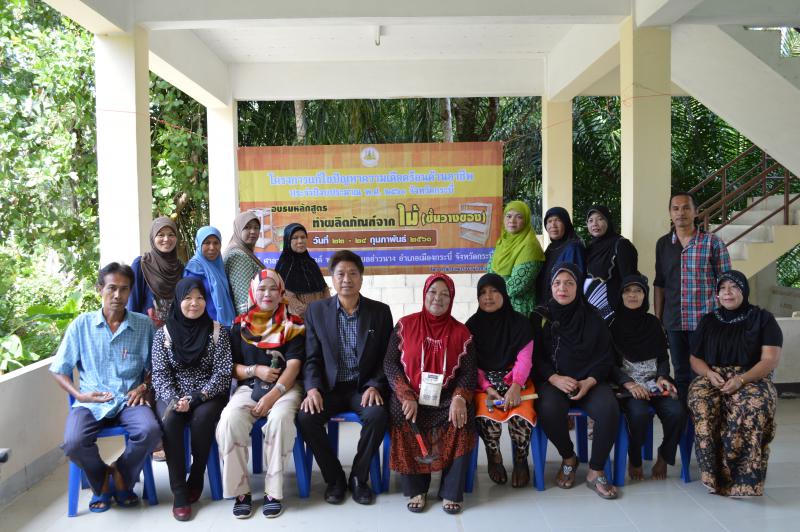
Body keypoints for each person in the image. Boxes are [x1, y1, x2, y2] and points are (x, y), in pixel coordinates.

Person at [50, 263, 160, 513]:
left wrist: (144, 386)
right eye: (112, 288)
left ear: (131, 291)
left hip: (129, 400)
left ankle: (121, 474)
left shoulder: (143, 325)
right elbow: (59, 369)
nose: (118, 295)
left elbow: (157, 367)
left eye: (124, 289)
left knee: (150, 431)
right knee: (74, 442)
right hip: (90, 401)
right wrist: (78, 395)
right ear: (100, 289)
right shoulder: (81, 325)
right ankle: (101, 480)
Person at [297, 250, 393, 505]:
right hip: (329, 388)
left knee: (377, 415)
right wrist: (313, 389)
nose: (347, 279)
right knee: (306, 417)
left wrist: (375, 386)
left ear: (361, 278)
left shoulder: (380, 312)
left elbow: (386, 358)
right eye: (340, 274)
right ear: (332, 278)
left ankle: (359, 478)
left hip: (362, 388)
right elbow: (311, 358)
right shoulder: (316, 311)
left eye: (353, 273)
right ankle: (335, 478)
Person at [215, 269, 306, 519]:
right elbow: (231, 367)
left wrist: (272, 395)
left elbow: (294, 366)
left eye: (273, 288)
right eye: (262, 288)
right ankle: (240, 491)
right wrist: (255, 370)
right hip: (249, 386)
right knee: (229, 420)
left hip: (286, 388)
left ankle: (273, 492)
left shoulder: (294, 324)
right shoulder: (239, 326)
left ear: (281, 292)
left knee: (279, 420)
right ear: (252, 292)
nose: (267, 293)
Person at [385, 273, 477, 514]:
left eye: (445, 294)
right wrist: (405, 394)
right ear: (424, 294)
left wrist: (459, 398)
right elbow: (390, 363)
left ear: (452, 299)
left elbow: (468, 372)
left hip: (446, 396)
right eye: (433, 292)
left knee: (463, 414)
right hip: (411, 395)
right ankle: (417, 488)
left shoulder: (462, 333)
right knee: (399, 411)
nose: (438, 298)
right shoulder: (404, 326)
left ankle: (451, 490)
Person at [688, 270, 782, 497]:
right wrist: (709, 374)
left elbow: (769, 360)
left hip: (751, 377)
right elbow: (695, 358)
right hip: (714, 376)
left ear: (744, 290)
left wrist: (741, 379)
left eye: (733, 287)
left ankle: (743, 479)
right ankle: (713, 476)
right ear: (717, 294)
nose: (727, 292)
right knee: (701, 402)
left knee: (752, 405)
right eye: (722, 288)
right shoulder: (708, 320)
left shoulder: (763, 319)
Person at [531, 262, 619, 499]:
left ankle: (596, 469)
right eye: (557, 283)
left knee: (609, 409)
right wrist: (555, 378)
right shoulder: (540, 316)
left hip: (590, 381)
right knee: (548, 408)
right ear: (550, 286)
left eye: (569, 283)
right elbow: (535, 357)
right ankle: (569, 457)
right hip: (555, 381)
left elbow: (606, 357)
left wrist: (589, 381)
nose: (563, 288)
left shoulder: (593, 316)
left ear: (578, 286)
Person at [151, 278, 232, 521]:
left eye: (199, 298)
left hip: (208, 394)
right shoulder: (163, 334)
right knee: (171, 420)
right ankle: (179, 492)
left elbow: (223, 373)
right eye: (187, 298)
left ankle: (196, 477)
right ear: (178, 300)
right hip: (173, 393)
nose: (194, 303)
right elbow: (160, 374)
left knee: (202, 419)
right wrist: (175, 399)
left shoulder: (218, 331)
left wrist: (198, 397)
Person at [654, 192, 731, 402]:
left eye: (686, 207)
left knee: (704, 372)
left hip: (705, 321)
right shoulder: (663, 244)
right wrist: (658, 319)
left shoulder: (713, 243)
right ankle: (685, 419)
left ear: (696, 212)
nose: (681, 213)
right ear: (670, 213)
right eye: (676, 208)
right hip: (674, 321)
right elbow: (660, 283)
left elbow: (726, 283)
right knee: (680, 372)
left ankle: (703, 418)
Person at [610, 274, 686, 481]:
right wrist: (629, 383)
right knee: (639, 414)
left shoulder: (653, 323)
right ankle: (634, 457)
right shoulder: (612, 326)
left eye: (638, 291)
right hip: (628, 386)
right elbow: (609, 364)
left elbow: (662, 357)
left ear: (645, 295)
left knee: (677, 412)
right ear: (621, 295)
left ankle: (664, 455)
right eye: (627, 291)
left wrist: (662, 376)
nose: (632, 295)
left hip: (655, 384)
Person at [466, 273, 535, 488]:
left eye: (494, 291)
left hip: (517, 380)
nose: (488, 297)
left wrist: (515, 386)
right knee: (487, 417)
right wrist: (487, 388)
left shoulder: (521, 324)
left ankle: (521, 460)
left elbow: (525, 359)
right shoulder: (471, 326)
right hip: (484, 384)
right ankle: (493, 455)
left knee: (521, 415)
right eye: (483, 292)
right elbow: (472, 364)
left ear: (504, 293)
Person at [486, 201, 545, 317]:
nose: (512, 221)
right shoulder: (502, 242)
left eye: (519, 217)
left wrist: (490, 293)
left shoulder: (530, 246)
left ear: (526, 220)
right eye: (508, 216)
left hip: (518, 312)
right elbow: (489, 272)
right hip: (497, 308)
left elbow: (515, 287)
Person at [128, 216, 184, 328]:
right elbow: (133, 304)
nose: (166, 239)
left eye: (171, 235)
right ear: (153, 237)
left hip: (174, 332)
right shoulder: (141, 264)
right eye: (161, 235)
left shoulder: (180, 268)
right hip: (146, 331)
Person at [584, 205, 638, 320]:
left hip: (614, 312)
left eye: (600, 219)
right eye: (590, 220)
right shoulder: (589, 248)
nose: (595, 224)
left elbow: (630, 281)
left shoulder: (622, 245)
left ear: (608, 221)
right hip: (589, 314)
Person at [274, 222, 330, 318]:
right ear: (287, 240)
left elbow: (324, 289)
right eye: (295, 238)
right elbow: (287, 296)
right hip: (298, 320)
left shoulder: (311, 263)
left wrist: (325, 309)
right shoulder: (284, 265)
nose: (300, 241)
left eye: (303, 237)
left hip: (321, 316)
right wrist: (310, 314)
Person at [184, 226, 236, 327]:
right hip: (205, 327)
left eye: (216, 243)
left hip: (225, 326)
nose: (212, 247)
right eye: (207, 243)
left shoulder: (219, 266)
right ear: (199, 244)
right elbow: (190, 301)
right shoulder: (194, 269)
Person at [535, 207, 585, 305]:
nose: (553, 225)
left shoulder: (573, 247)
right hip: (547, 305)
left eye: (558, 220)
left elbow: (573, 281)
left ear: (566, 223)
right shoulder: (551, 248)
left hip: (563, 305)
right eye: (549, 221)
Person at [224, 211, 266, 315]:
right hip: (250, 319)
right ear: (238, 229)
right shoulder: (239, 256)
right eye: (247, 227)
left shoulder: (243, 251)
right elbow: (244, 302)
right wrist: (251, 320)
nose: (253, 231)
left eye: (256, 228)